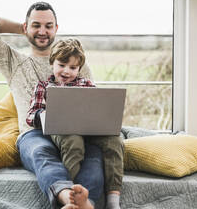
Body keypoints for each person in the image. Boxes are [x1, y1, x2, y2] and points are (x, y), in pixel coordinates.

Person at [0, 2, 104, 209]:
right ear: (27, 27)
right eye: (36, 25)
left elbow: (91, 103)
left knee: (94, 155)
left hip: (76, 132)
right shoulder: (13, 62)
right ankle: (66, 196)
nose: (42, 31)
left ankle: (87, 203)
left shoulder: (78, 64)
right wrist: (23, 28)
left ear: (56, 29)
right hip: (34, 134)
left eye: (48, 26)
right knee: (41, 153)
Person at [26, 38, 124, 209]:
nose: (66, 71)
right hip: (59, 128)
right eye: (62, 65)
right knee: (73, 140)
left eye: (72, 68)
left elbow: (97, 110)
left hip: (88, 129)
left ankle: (113, 200)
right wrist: (45, 114)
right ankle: (71, 194)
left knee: (115, 140)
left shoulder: (86, 84)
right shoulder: (44, 86)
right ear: (52, 63)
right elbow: (31, 115)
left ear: (79, 69)